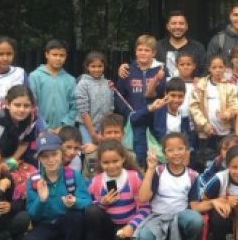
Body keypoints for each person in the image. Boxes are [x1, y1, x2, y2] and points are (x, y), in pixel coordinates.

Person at [135, 133, 209, 240]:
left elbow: (194, 206)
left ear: (187, 150)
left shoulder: (192, 175)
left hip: (180, 218)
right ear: (164, 153)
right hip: (158, 217)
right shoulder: (158, 171)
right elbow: (143, 198)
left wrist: (214, 203)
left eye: (180, 148)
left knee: (195, 220)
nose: (176, 153)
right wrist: (150, 169)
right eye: (170, 150)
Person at [22, 133, 91, 240]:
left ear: (61, 154)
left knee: (75, 217)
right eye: (45, 156)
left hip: (68, 224)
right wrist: (41, 200)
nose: (50, 160)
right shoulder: (34, 181)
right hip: (46, 224)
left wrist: (75, 202)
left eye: (54, 154)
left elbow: (87, 202)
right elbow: (32, 215)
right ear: (39, 159)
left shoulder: (72, 175)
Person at [82, 140, 148, 240]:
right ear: (100, 162)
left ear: (123, 159)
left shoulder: (133, 178)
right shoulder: (97, 181)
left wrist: (132, 226)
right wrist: (103, 203)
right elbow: (88, 203)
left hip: (127, 227)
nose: (111, 166)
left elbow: (145, 208)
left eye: (115, 161)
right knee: (91, 211)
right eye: (106, 162)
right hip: (107, 225)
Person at [116, 34, 166, 167]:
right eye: (140, 50)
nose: (143, 53)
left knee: (158, 157)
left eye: (147, 50)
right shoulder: (127, 71)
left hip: (156, 123)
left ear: (154, 53)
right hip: (136, 121)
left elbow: (166, 94)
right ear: (135, 51)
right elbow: (119, 95)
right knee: (137, 158)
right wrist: (128, 114)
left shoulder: (162, 71)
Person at [188, 55, 238, 169]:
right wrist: (204, 124)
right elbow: (194, 106)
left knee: (225, 162)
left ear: (225, 68)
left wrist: (226, 114)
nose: (218, 70)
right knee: (206, 162)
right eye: (214, 67)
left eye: (221, 67)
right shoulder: (201, 85)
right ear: (209, 68)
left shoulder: (230, 86)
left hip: (225, 132)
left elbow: (234, 106)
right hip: (206, 132)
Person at [131, 77, 196, 150]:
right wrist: (151, 108)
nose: (176, 100)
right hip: (157, 155)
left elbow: (188, 140)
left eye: (180, 96)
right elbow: (133, 119)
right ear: (165, 94)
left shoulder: (184, 115)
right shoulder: (157, 112)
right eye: (173, 95)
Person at [28, 39, 77, 132]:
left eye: (62, 55)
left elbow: (75, 106)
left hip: (63, 131)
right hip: (39, 129)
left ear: (66, 56)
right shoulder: (35, 76)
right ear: (47, 54)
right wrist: (43, 126)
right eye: (54, 55)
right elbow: (32, 104)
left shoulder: (70, 80)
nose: (58, 58)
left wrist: (65, 125)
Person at [75, 51, 114, 145]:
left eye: (100, 66)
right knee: (90, 155)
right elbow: (83, 111)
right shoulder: (83, 84)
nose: (97, 69)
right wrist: (93, 134)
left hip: (104, 128)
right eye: (93, 66)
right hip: (87, 128)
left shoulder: (108, 84)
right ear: (87, 67)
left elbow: (110, 108)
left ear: (104, 66)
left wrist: (104, 130)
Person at [155, 10, 207, 77]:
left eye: (181, 23)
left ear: (186, 26)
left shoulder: (198, 48)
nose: (177, 27)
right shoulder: (158, 47)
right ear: (167, 26)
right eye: (174, 23)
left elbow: (205, 71)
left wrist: (200, 81)